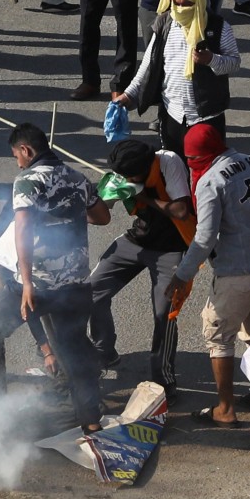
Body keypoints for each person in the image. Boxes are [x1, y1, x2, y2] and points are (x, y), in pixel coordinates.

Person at [166, 123, 250, 427]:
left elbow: (204, 237)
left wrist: (182, 275)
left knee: (218, 335)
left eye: (191, 160)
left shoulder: (211, 181)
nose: (190, 165)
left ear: (198, 157)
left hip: (236, 271)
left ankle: (225, 408)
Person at [8, 123, 114, 432]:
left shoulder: (26, 181)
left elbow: (23, 229)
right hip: (77, 282)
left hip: (41, 283)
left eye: (17, 155)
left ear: (26, 150)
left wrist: (26, 283)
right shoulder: (78, 177)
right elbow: (103, 217)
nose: (17, 162)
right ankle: (90, 421)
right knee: (76, 349)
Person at [87, 139, 195, 397]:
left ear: (145, 168)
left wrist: (143, 196)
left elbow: (181, 210)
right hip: (137, 240)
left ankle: (163, 381)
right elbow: (104, 209)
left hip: (171, 247)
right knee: (91, 291)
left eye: (128, 176)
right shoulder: (123, 174)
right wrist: (88, 196)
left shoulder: (168, 162)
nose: (122, 178)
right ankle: (104, 353)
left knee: (164, 315)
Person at [116, 0, 242, 155]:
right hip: (172, 115)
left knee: (208, 172)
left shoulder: (219, 27)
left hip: (206, 117)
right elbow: (147, 67)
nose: (181, 9)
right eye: (177, 4)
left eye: (187, 4)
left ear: (198, 1)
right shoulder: (164, 24)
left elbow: (234, 63)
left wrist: (211, 59)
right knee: (175, 171)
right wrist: (128, 96)